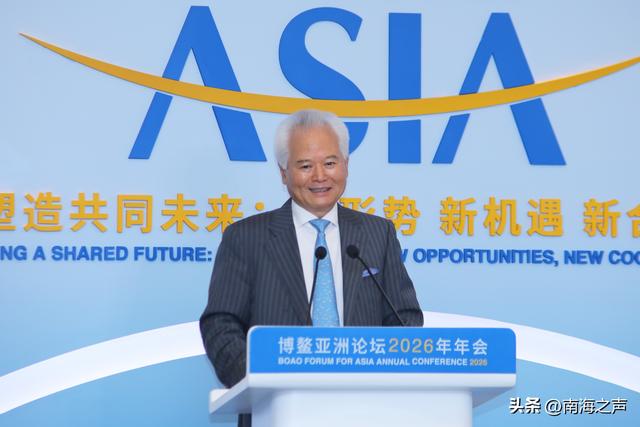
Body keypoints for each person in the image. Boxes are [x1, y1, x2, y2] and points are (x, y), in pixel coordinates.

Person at [200, 109, 423, 427]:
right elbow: (220, 324)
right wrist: (258, 380)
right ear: (284, 173)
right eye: (305, 166)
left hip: (366, 411)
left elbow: (405, 320)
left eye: (330, 163)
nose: (320, 176)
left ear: (346, 165)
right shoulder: (247, 238)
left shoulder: (377, 234)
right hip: (275, 412)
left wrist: (384, 378)